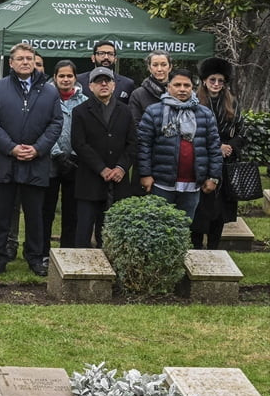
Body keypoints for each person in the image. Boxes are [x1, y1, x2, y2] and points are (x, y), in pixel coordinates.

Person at [0, 42, 63, 275]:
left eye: (29, 58)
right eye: (21, 58)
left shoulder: (49, 91)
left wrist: (37, 149)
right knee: (3, 213)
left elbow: (56, 123)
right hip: (5, 161)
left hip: (36, 162)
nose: (25, 62)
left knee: (35, 213)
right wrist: (11, 148)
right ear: (11, 62)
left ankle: (35, 257)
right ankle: (0, 255)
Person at [136, 68, 223, 220]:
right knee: (159, 227)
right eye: (177, 85)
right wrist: (145, 174)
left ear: (192, 88)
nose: (182, 89)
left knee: (184, 227)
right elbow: (144, 146)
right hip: (161, 183)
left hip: (193, 184)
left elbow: (214, 148)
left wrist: (213, 177)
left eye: (186, 85)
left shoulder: (205, 114)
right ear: (168, 87)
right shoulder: (153, 112)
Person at [71, 67, 136, 246]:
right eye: (99, 81)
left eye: (107, 81)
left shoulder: (125, 111)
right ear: (90, 86)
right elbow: (79, 144)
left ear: (114, 85)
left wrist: (121, 168)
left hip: (118, 181)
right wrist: (101, 168)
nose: (104, 84)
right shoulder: (80, 111)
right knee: (84, 229)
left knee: (112, 230)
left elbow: (132, 143)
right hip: (89, 180)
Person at [190, 58, 246, 248]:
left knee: (220, 209)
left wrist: (230, 146)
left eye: (220, 81)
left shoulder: (233, 103)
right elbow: (190, 132)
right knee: (199, 207)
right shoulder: (193, 102)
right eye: (212, 79)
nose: (216, 84)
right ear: (204, 80)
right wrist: (216, 146)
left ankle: (214, 246)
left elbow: (242, 131)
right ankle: (196, 246)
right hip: (200, 162)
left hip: (226, 164)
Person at [42, 60, 88, 258]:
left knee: (72, 212)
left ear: (75, 78)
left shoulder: (85, 100)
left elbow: (87, 131)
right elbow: (42, 127)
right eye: (61, 76)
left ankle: (67, 252)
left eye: (69, 76)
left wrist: (76, 154)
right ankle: (42, 252)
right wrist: (57, 153)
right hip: (50, 161)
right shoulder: (45, 98)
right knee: (46, 211)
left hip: (76, 163)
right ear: (55, 77)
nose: (65, 79)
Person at [129, 51, 173, 122]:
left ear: (170, 67)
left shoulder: (178, 92)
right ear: (149, 68)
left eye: (164, 65)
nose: (159, 69)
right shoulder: (138, 95)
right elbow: (134, 124)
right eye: (155, 65)